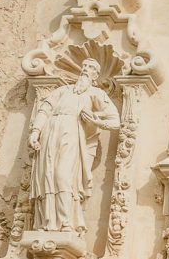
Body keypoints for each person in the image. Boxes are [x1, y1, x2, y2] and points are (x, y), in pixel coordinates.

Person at [28, 58, 120, 234]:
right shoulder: (63, 91)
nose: (86, 69)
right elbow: (44, 110)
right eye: (84, 66)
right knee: (48, 175)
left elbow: (115, 121)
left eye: (91, 67)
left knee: (63, 175)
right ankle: (46, 223)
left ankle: (66, 222)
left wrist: (95, 119)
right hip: (49, 133)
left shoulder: (96, 94)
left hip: (73, 136)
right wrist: (35, 132)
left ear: (96, 76)